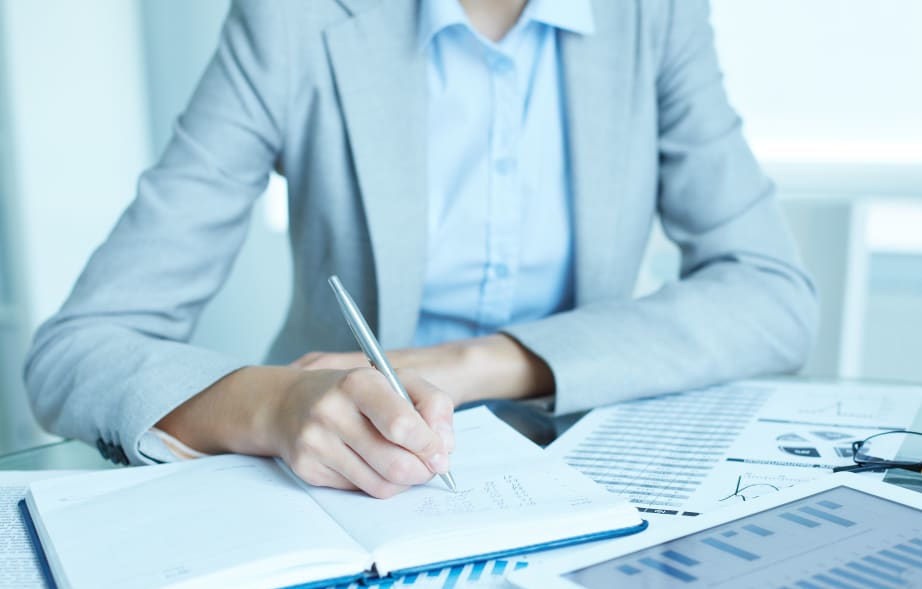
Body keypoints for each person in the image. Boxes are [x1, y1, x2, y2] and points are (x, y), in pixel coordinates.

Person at [23, 0, 817, 498]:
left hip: (597, 481)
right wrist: (272, 405)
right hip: (345, 490)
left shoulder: (654, 15)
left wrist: (464, 366)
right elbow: (76, 352)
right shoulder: (292, 20)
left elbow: (774, 296)